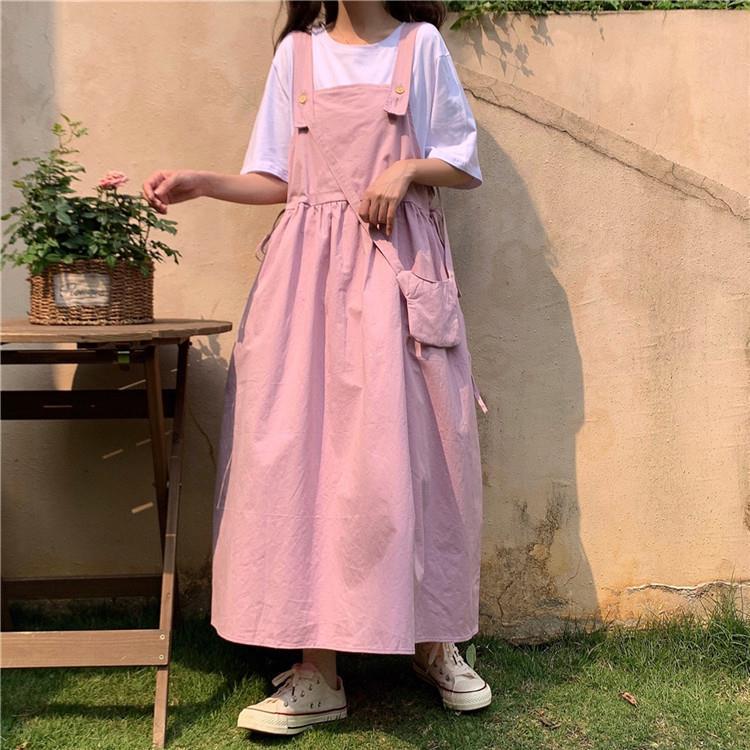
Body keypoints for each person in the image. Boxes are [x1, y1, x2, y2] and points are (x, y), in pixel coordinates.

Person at [142, 0, 491, 736]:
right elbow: (276, 177)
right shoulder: (296, 55)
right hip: (304, 286)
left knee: (420, 457)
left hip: (397, 277)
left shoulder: (421, 46)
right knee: (303, 465)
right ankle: (317, 670)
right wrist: (204, 182)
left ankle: (434, 640)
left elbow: (462, 161)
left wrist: (407, 168)